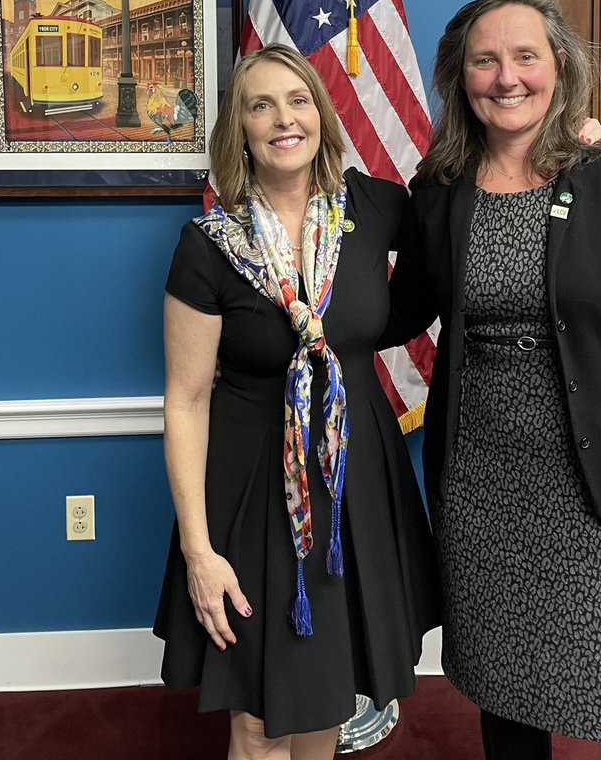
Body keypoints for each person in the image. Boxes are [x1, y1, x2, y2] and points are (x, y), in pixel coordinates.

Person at [382, 0, 601, 760]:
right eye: (485, 60)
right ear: (459, 76)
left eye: (525, 56)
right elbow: (401, 314)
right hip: (482, 487)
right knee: (506, 686)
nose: (507, 77)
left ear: (557, 65)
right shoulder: (439, 192)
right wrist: (300, 304)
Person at [152, 44, 440, 760]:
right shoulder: (209, 246)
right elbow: (186, 402)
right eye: (260, 104)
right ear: (239, 132)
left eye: (298, 99)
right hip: (249, 489)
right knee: (255, 716)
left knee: (323, 695)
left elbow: (467, 216)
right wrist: (198, 550)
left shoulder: (376, 207)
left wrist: (577, 148)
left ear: (321, 113)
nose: (284, 118)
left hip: (356, 481)